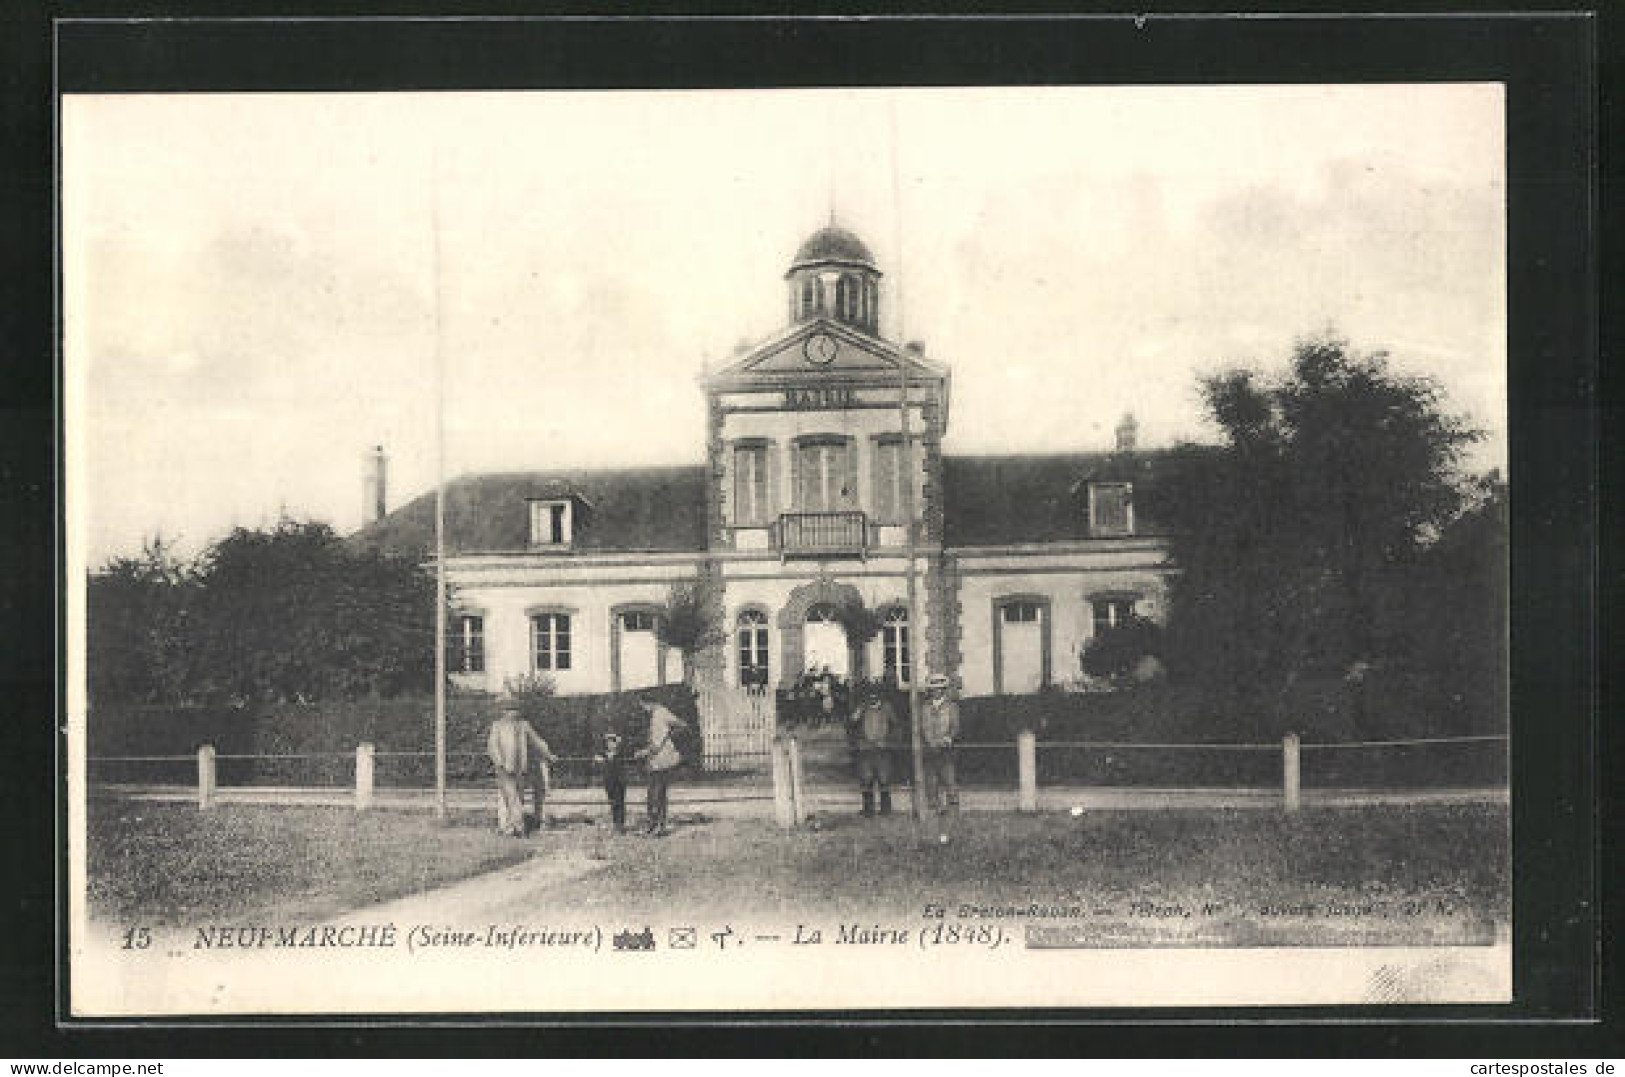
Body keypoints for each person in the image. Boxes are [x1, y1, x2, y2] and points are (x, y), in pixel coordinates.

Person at [633, 696, 688, 837]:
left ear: (648, 703)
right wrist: (670, 737)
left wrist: (642, 753)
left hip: (658, 762)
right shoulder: (664, 712)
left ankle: (654, 827)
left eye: (642, 706)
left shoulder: (657, 716)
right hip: (665, 760)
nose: (643, 709)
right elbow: (682, 724)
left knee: (654, 795)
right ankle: (660, 826)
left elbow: (655, 746)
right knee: (661, 794)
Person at [486, 704, 535, 837]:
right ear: (504, 712)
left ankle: (510, 827)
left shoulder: (524, 725)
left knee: (517, 797)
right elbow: (492, 745)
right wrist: (499, 763)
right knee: (508, 798)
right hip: (505, 767)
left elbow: (536, 741)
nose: (514, 713)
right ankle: (514, 828)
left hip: (520, 768)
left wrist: (548, 754)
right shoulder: (497, 726)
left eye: (516, 709)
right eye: (510, 710)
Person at [851, 682, 896, 817]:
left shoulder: (887, 708)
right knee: (866, 779)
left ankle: (886, 809)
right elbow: (852, 725)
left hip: (882, 749)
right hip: (865, 749)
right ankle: (868, 809)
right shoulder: (862, 708)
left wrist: (888, 741)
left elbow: (896, 726)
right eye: (870, 695)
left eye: (875, 695)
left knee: (884, 779)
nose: (873, 698)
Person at [921, 674, 961, 818]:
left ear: (944, 690)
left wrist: (948, 738)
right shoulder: (925, 707)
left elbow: (955, 727)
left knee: (949, 778)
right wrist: (929, 741)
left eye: (939, 689)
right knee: (931, 779)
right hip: (930, 748)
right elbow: (923, 727)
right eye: (933, 689)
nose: (936, 692)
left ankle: (953, 809)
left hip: (946, 748)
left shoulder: (951, 706)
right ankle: (935, 808)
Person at [523, 722, 560, 834]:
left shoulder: (535, 743)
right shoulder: (537, 743)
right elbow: (545, 756)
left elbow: (544, 760)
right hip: (537, 771)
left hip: (539, 771)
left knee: (540, 797)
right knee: (540, 797)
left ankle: (540, 821)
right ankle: (540, 821)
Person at [593, 730, 632, 834]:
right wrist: (598, 759)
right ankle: (616, 824)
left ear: (616, 743)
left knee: (620, 802)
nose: (610, 744)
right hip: (609, 781)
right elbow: (596, 759)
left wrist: (610, 757)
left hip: (619, 781)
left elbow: (626, 754)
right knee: (613, 802)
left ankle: (620, 825)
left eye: (612, 741)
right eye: (608, 742)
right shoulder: (603, 754)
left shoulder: (620, 753)